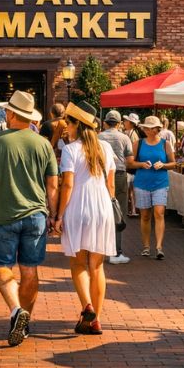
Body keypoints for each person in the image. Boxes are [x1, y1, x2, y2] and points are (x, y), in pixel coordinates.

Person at [0, 91, 58, 347]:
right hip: (36, 216)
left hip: (2, 214)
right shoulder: (43, 144)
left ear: (11, 113)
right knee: (30, 269)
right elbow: (53, 184)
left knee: (2, 267)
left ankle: (15, 310)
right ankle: (25, 319)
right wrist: (54, 215)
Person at [54, 101, 117, 335]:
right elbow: (111, 184)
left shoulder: (70, 150)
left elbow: (68, 184)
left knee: (78, 263)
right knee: (97, 266)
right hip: (102, 206)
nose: (65, 129)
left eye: (68, 125)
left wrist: (59, 215)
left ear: (76, 125)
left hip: (78, 207)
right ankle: (96, 319)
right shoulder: (106, 149)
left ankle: (87, 306)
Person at [127, 115, 175, 260]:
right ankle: (146, 246)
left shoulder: (165, 144)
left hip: (160, 182)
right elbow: (130, 163)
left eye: (150, 128)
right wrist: (141, 164)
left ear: (157, 129)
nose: (147, 130)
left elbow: (173, 163)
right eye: (146, 128)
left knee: (159, 213)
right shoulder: (138, 143)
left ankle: (159, 247)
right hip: (142, 183)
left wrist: (163, 165)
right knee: (145, 215)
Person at [98, 110, 132, 265]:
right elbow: (130, 160)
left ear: (105, 122)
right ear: (119, 124)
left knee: (101, 212)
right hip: (119, 175)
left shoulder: (98, 137)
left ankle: (99, 249)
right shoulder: (124, 137)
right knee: (119, 212)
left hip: (100, 175)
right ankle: (116, 251)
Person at [122, 113, 141, 217]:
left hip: (131, 165)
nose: (124, 123)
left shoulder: (132, 134)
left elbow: (133, 152)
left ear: (130, 123)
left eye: (126, 121)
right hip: (133, 165)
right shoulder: (133, 132)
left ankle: (133, 210)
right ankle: (133, 209)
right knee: (131, 190)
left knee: (131, 190)